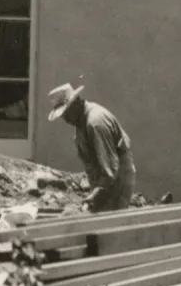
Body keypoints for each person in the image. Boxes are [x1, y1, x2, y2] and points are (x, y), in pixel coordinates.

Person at [47, 81, 136, 212]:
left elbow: (110, 171)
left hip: (116, 180)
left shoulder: (95, 123)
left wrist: (93, 197)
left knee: (109, 224)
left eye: (66, 113)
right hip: (104, 181)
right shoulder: (81, 122)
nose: (65, 119)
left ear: (76, 103)